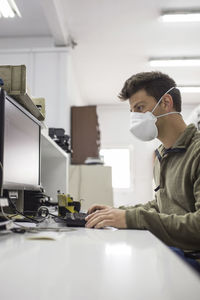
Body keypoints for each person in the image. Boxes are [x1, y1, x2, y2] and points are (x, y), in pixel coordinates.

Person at [85, 71, 200, 255]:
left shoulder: (196, 152)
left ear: (166, 102)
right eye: (132, 111)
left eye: (139, 108)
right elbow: (162, 206)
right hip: (172, 253)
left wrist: (132, 218)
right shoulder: (163, 155)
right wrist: (117, 213)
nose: (135, 118)